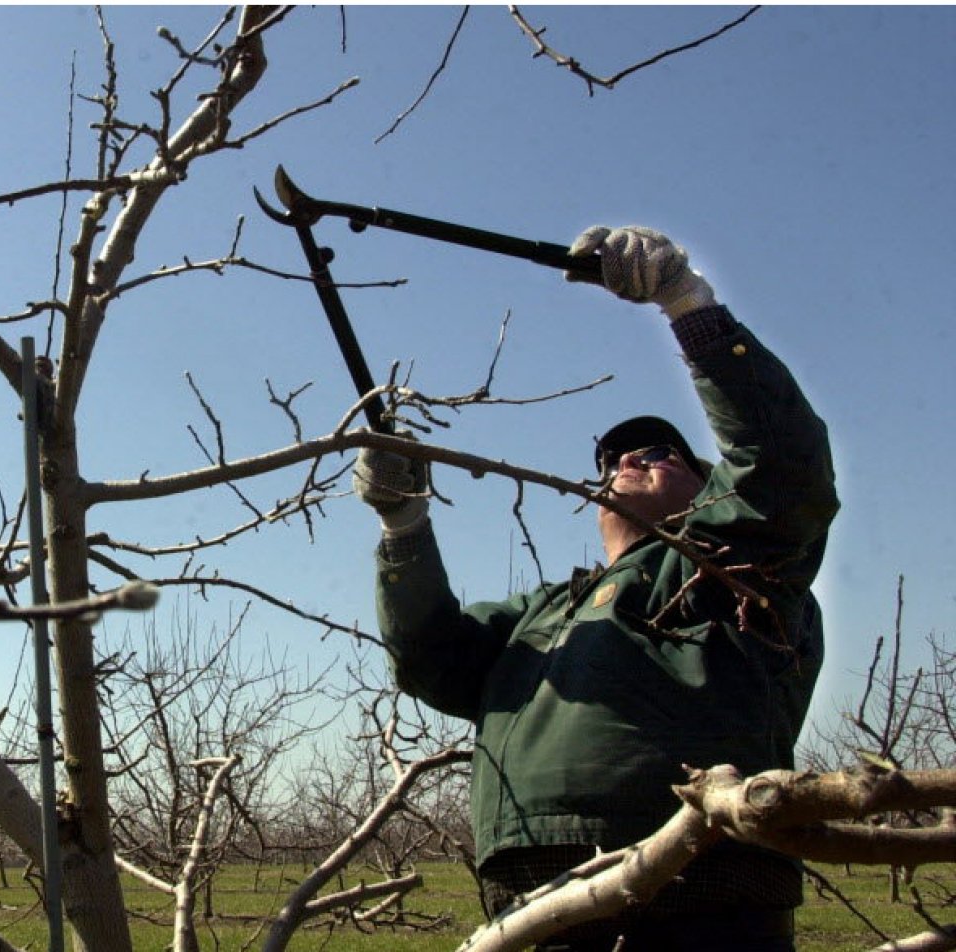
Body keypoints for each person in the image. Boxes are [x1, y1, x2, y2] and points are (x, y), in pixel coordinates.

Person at [352, 225, 839, 952]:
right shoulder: (541, 612)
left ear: (712, 492)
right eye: (613, 460)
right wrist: (405, 524)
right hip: (533, 894)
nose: (629, 461)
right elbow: (431, 658)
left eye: (658, 453)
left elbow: (783, 471)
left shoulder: (729, 569)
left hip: (705, 882)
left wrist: (688, 305)